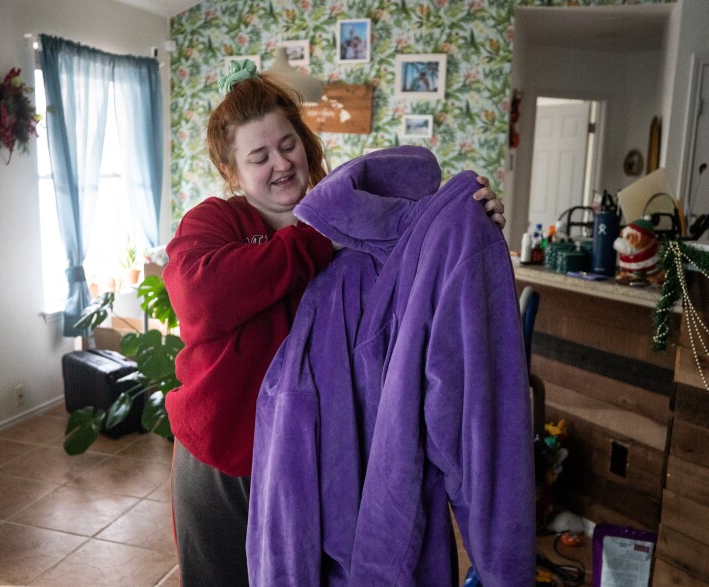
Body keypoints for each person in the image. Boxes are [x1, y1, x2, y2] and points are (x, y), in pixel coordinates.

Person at [162, 61, 506, 586]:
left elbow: (420, 256)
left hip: (308, 461)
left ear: (307, 145)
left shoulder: (355, 220)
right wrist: (316, 236)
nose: (280, 164)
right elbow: (198, 297)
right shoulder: (219, 222)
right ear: (232, 174)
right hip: (221, 460)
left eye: (288, 145)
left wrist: (470, 216)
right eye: (258, 156)